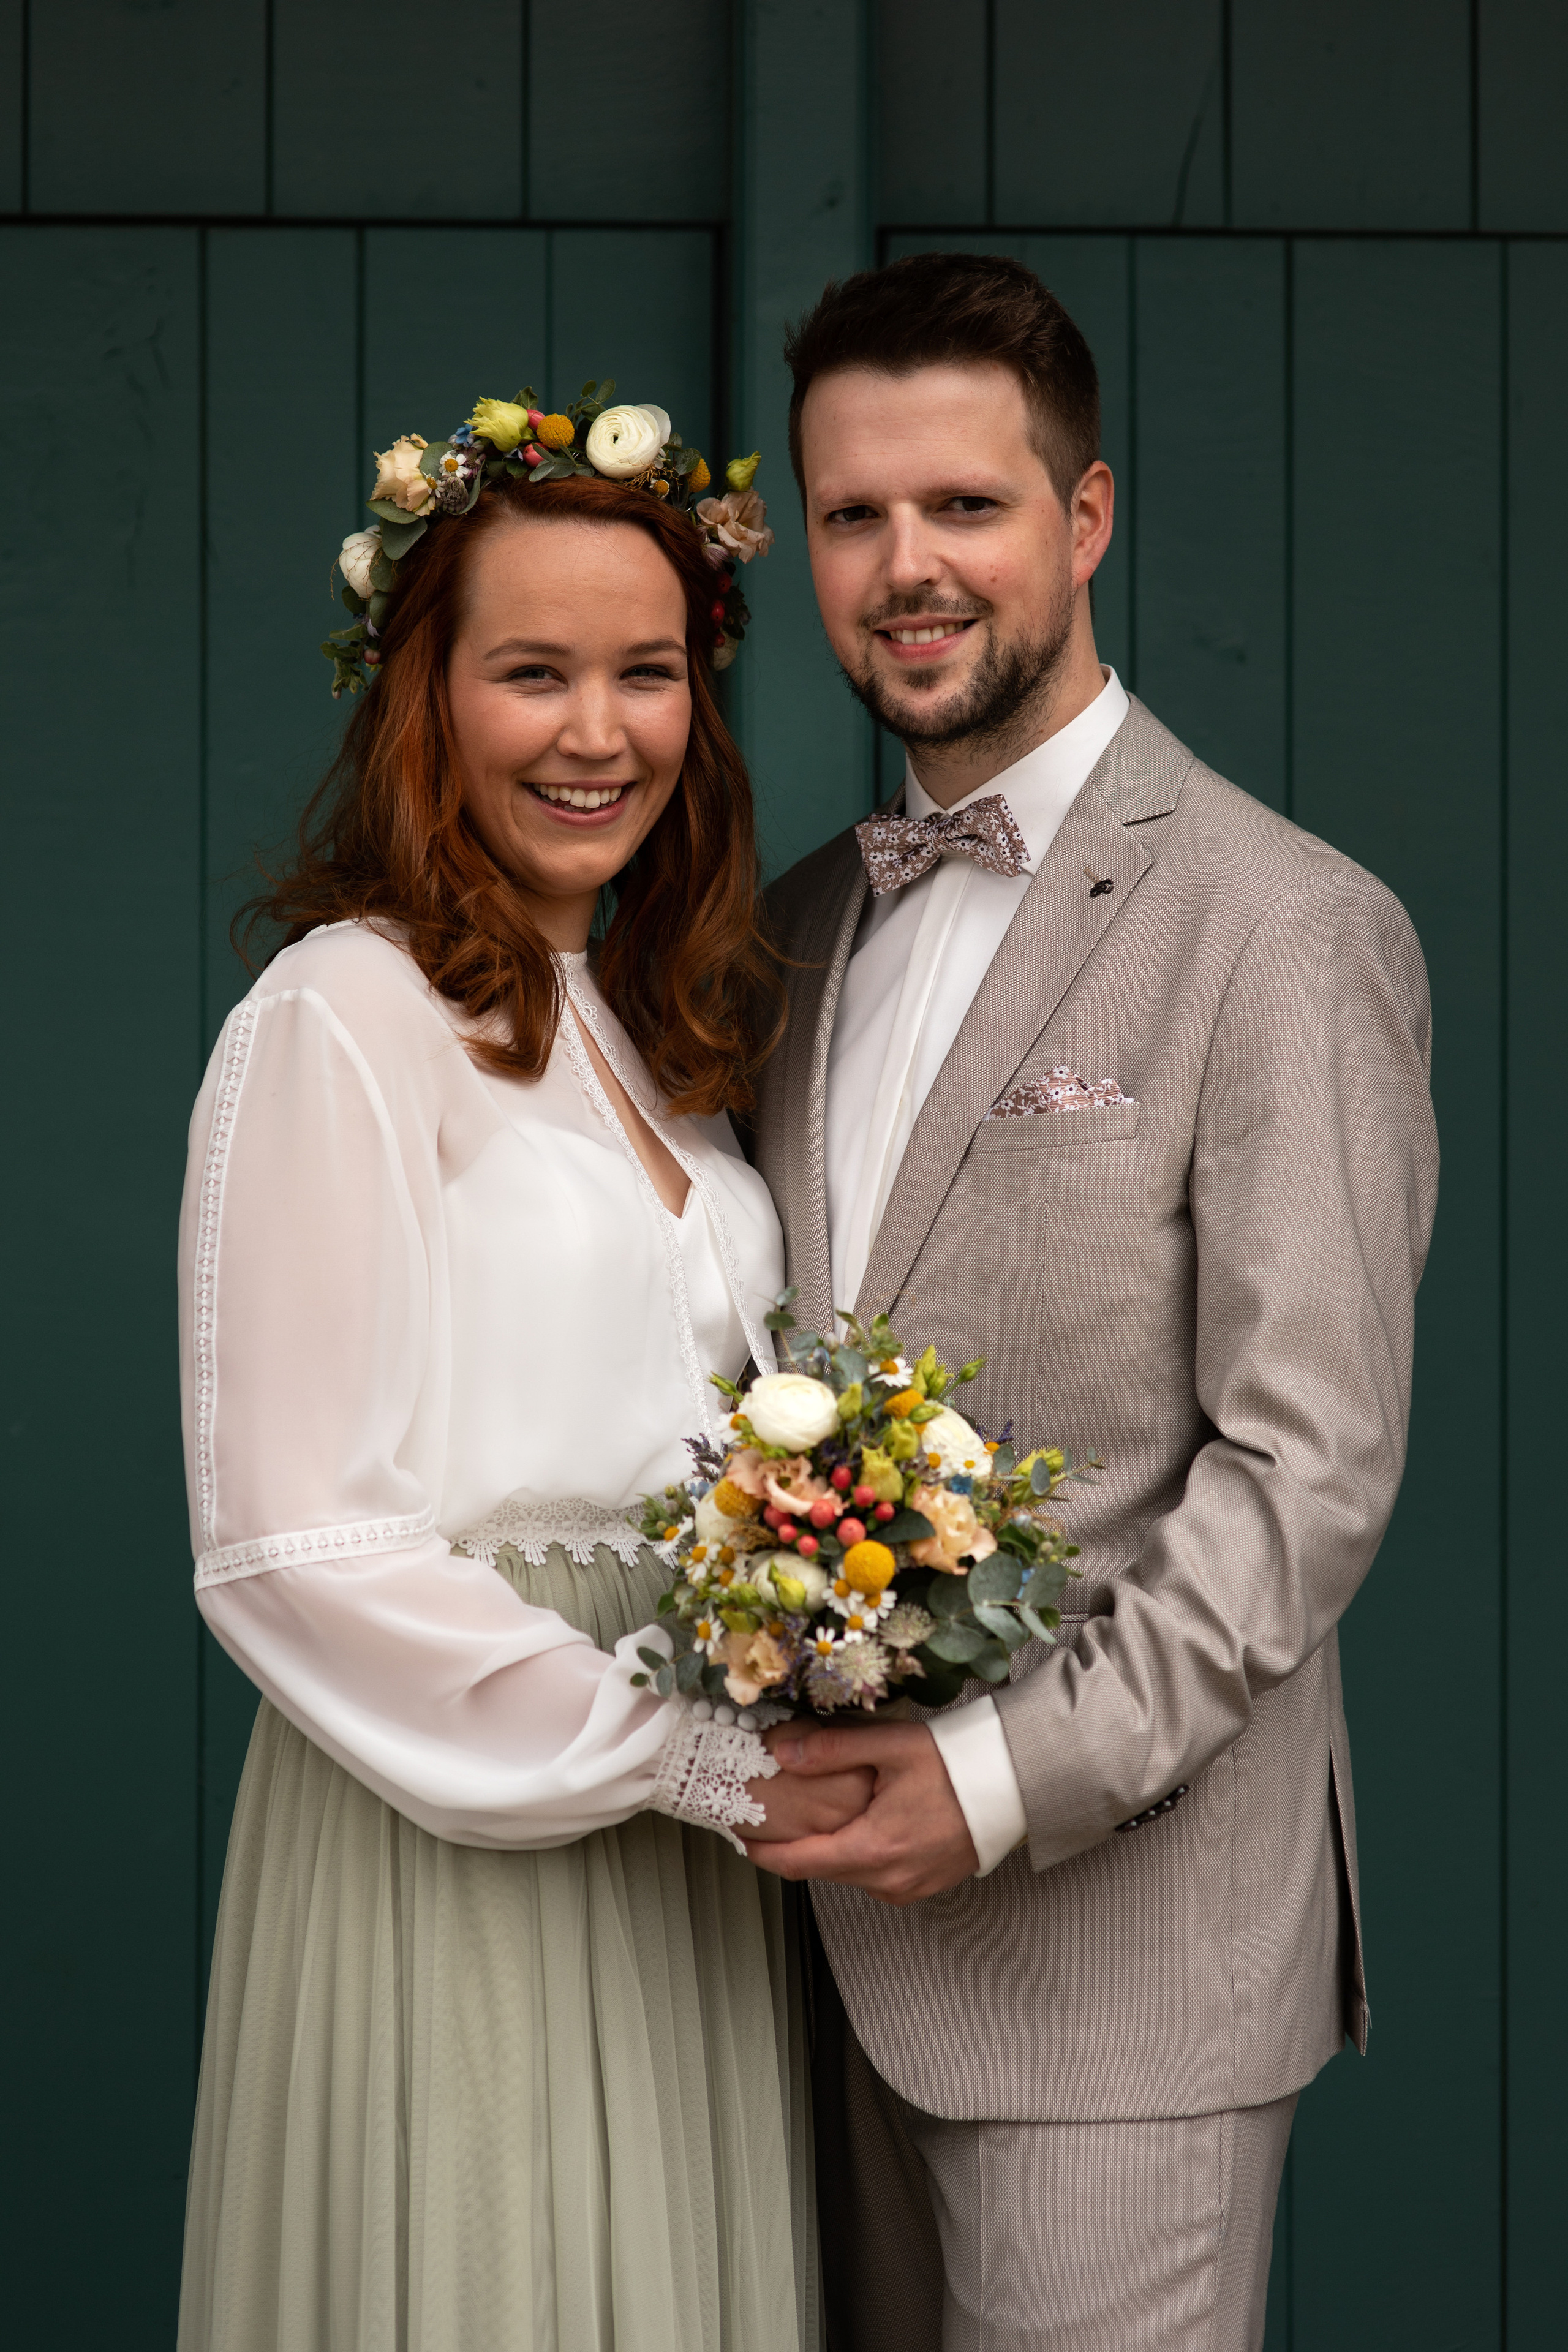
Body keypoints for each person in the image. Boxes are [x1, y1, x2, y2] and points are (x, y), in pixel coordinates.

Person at [747, 252, 1440, 2352]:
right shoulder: (792, 932)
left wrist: (997, 1780)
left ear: (1089, 515)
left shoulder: (1286, 926)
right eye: (854, 516)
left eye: (964, 506)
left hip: (1116, 1959)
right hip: (787, 1966)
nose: (906, 568)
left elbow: (1306, 1478)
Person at [176, 391, 867, 2351]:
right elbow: (290, 1538)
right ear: (426, 696)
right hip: (460, 1827)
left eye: (646, 673)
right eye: (532, 672)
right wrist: (680, 1755)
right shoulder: (343, 1015)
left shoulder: (655, 1035)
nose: (596, 731)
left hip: (693, 1866)